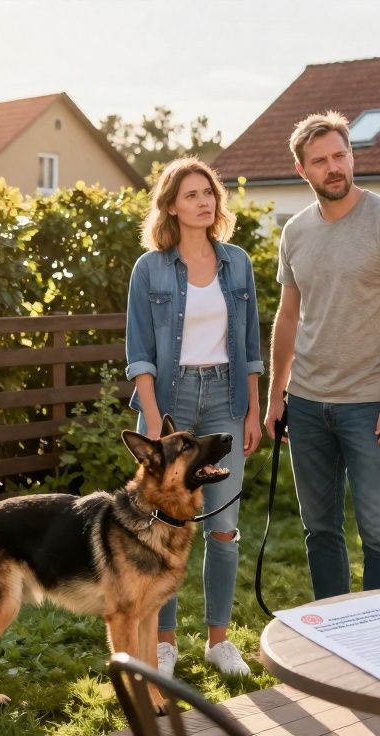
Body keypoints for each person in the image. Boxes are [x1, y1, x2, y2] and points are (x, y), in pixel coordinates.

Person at [262, 112, 380, 601]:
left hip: (370, 405)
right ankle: (336, 632)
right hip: (307, 405)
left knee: (378, 533)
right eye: (320, 161)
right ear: (302, 170)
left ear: (352, 156)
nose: (333, 168)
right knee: (320, 531)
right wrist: (277, 395)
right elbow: (288, 318)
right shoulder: (294, 232)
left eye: (340, 155)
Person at [124, 156, 264, 678]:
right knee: (161, 527)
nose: (204, 201)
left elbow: (249, 343)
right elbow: (138, 348)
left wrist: (252, 408)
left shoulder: (238, 263)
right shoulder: (151, 268)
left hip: (225, 399)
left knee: (223, 528)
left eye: (209, 193)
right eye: (191, 195)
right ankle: (164, 643)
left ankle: (218, 641)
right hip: (172, 402)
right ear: (171, 206)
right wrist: (155, 416)